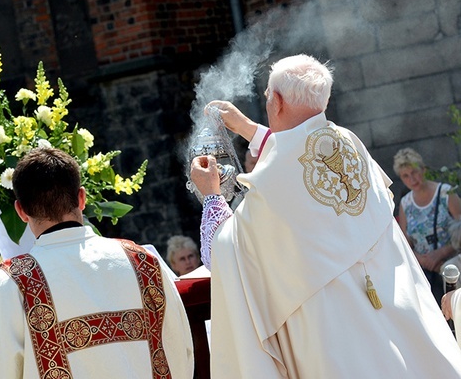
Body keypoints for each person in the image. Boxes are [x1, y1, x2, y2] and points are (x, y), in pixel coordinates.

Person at [190, 54, 461, 377]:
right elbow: (301, 149)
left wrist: (211, 196)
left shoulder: (272, 183)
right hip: (392, 309)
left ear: (276, 101)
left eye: (266, 98)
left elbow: (225, 252)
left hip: (334, 332)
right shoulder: (349, 144)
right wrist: (249, 129)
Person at [0, 147, 194, 378]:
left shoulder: (10, 283)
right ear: (82, 198)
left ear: (21, 211)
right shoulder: (143, 261)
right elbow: (181, 350)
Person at [394, 147, 461, 304]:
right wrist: (422, 260)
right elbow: (405, 242)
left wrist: (439, 255)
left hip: (451, 267)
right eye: (406, 176)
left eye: (415, 172)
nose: (412, 179)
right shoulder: (405, 203)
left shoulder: (446, 193)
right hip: (424, 272)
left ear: (423, 169)